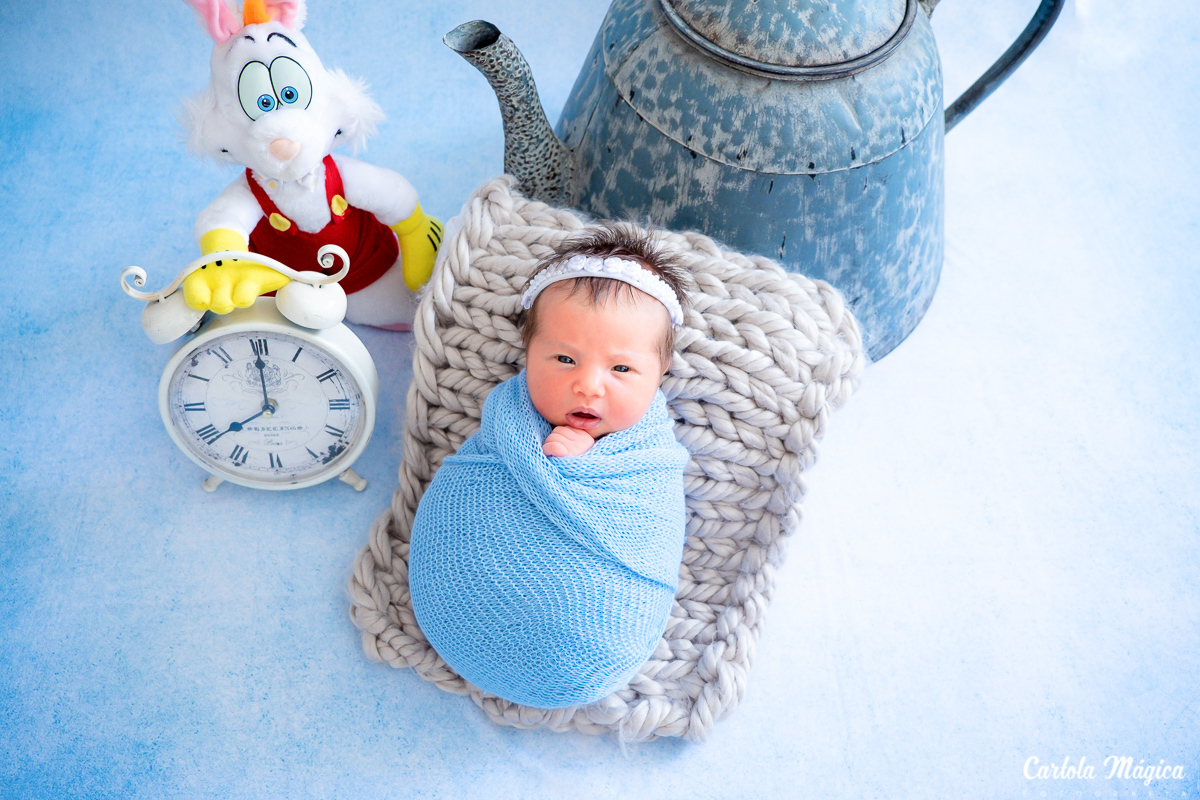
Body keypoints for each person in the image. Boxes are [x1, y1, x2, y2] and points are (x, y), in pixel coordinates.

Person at [407, 223, 696, 709]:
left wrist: (583, 465)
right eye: (564, 358)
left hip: (597, 633)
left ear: (660, 372)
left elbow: (650, 523)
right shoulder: (509, 423)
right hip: (465, 599)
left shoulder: (649, 456)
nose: (588, 386)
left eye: (621, 369)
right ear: (528, 354)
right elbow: (469, 485)